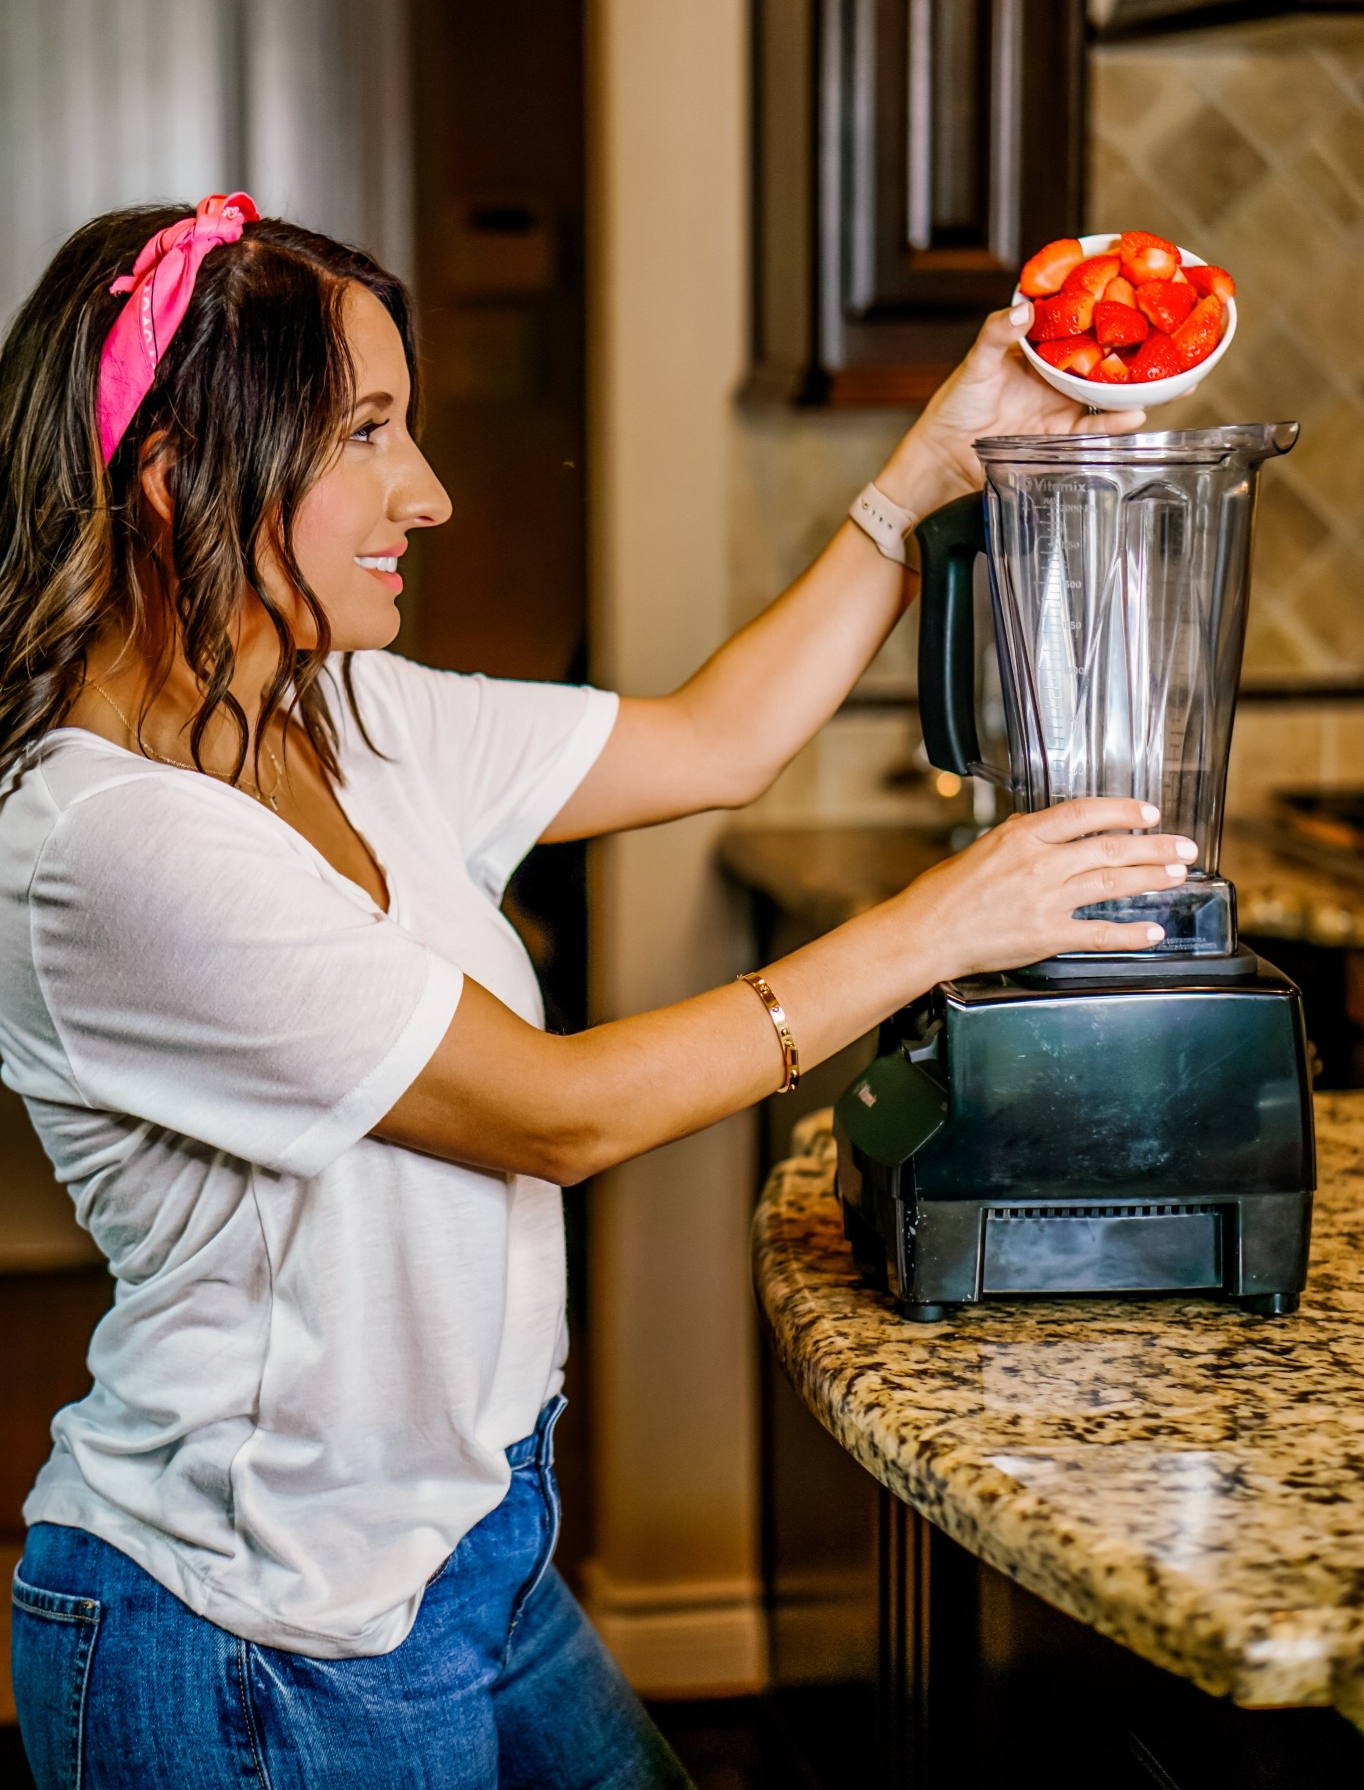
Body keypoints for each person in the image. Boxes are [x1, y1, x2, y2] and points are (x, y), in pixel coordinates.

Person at [0, 195, 1193, 1790]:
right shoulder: (101, 843)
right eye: (366, 433)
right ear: (171, 477)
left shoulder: (340, 710)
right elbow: (553, 1114)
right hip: (257, 1630)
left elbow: (716, 739)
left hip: (468, 1545)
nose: (427, 492)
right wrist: (936, 928)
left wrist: (926, 469)